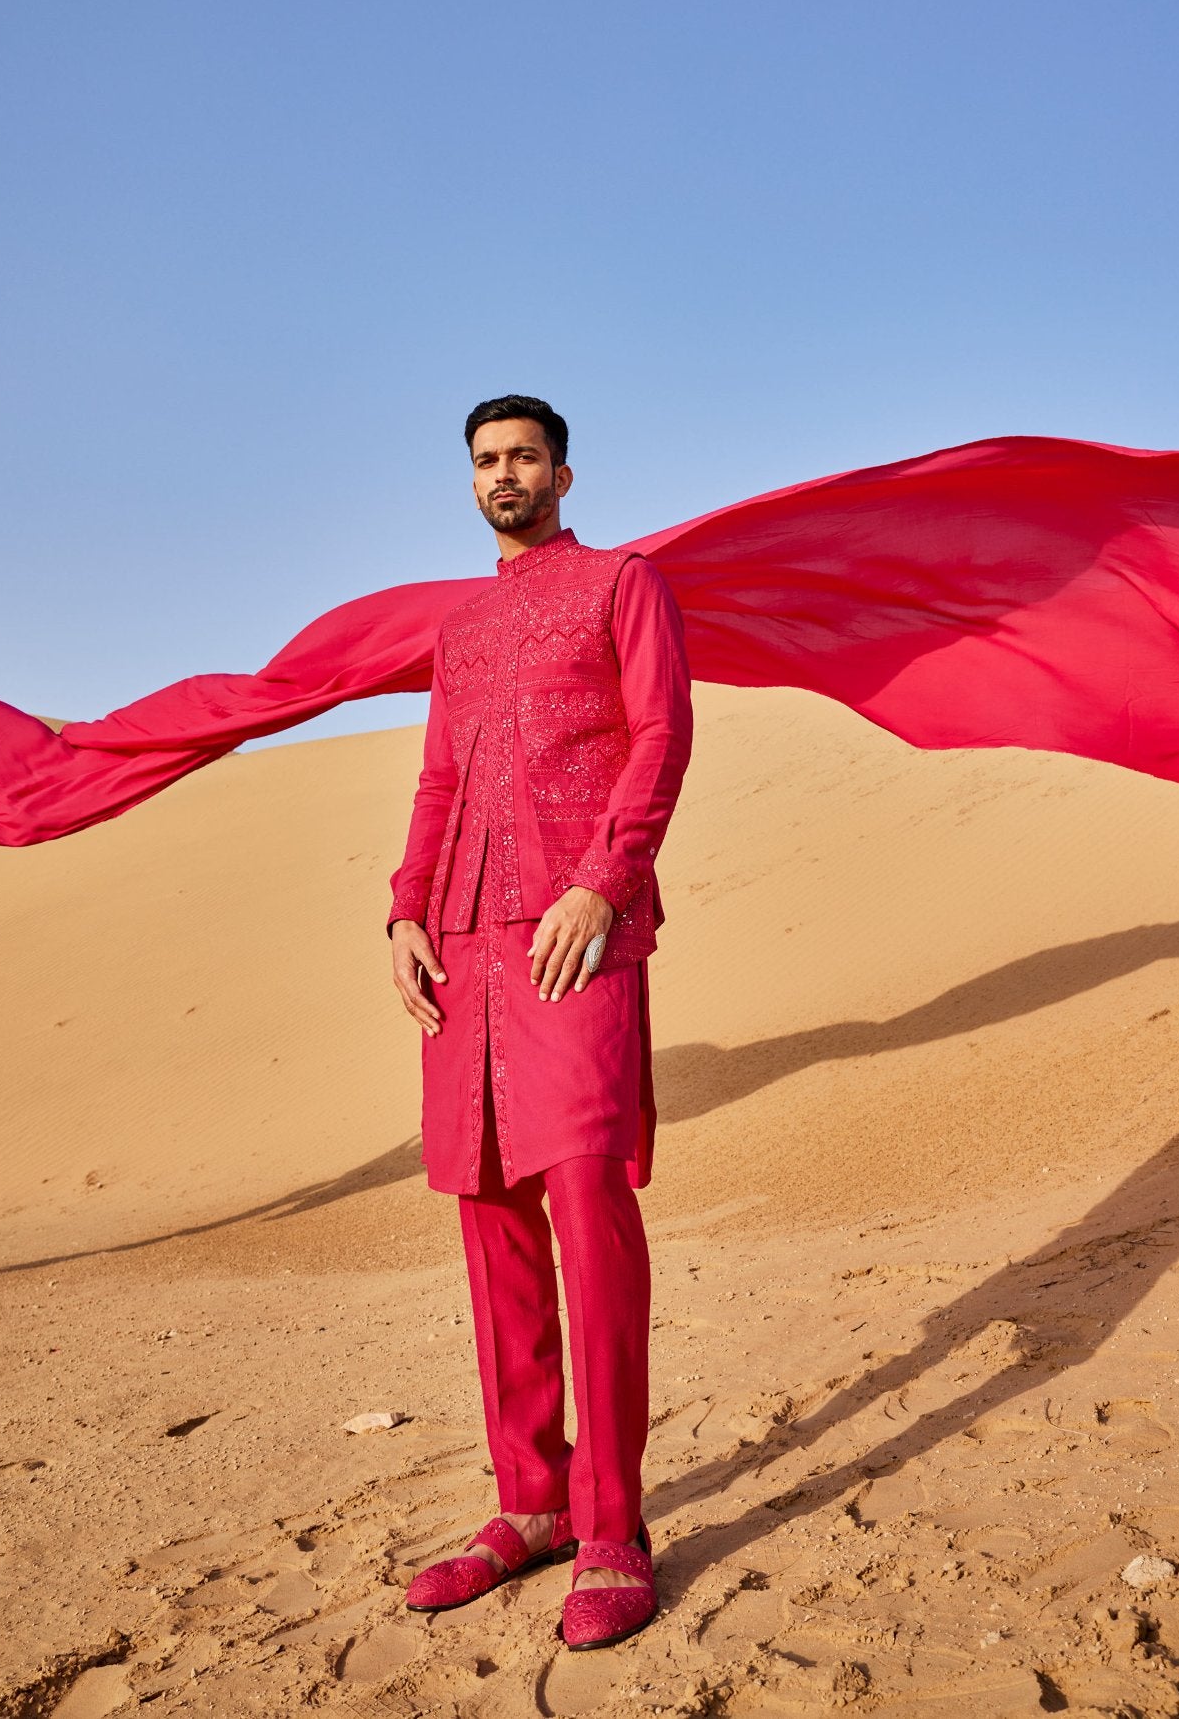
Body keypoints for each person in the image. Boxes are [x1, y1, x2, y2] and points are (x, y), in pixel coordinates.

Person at [388, 394, 693, 1650]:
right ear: (470, 485)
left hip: (577, 929)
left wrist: (601, 883)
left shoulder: (624, 583)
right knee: (490, 1220)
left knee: (586, 1208)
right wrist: (404, 911)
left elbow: (663, 737)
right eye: (484, 462)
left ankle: (613, 1522)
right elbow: (440, 778)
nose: (504, 475)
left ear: (563, 472)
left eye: (522, 456)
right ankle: (532, 1505)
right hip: (463, 943)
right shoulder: (460, 631)